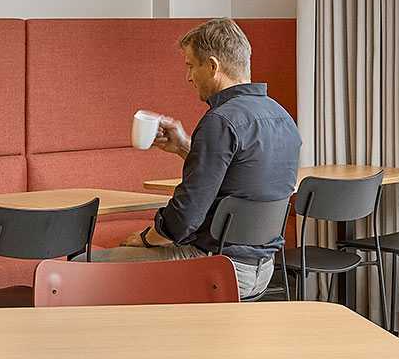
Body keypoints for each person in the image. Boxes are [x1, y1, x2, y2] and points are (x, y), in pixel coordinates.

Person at [95, 17, 301, 299]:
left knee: (87, 268)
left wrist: (146, 238)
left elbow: (183, 221)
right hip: (263, 270)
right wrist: (184, 147)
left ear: (213, 66)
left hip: (215, 268)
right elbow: (239, 178)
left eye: (191, 66)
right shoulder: (282, 117)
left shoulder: (220, 121)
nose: (188, 77)